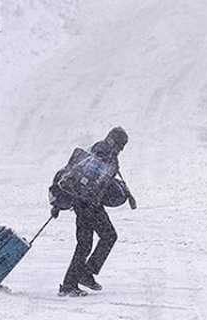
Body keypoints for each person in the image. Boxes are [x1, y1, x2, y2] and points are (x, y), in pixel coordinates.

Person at [54, 126, 132, 297]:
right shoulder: (102, 153)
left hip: (90, 204)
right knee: (87, 243)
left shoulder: (103, 152)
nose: (121, 149)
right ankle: (70, 284)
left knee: (105, 237)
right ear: (112, 141)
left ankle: (84, 274)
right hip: (85, 205)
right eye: (120, 145)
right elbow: (85, 177)